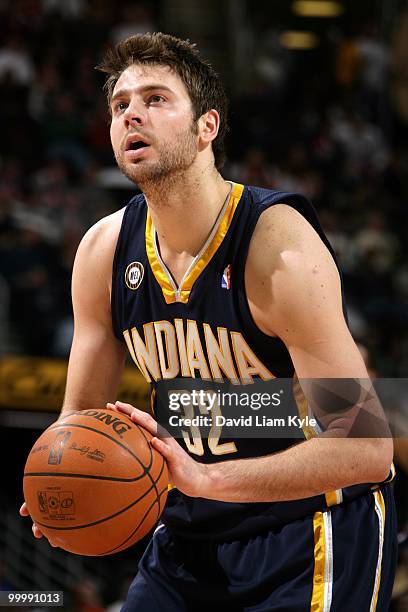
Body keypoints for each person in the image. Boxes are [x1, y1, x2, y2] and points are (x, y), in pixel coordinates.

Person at [21, 32, 397, 611]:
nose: (132, 115)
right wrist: (61, 481)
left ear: (207, 128)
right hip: (191, 530)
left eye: (155, 99)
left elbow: (368, 450)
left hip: (314, 527)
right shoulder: (102, 252)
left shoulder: (278, 249)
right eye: (120, 105)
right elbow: (80, 417)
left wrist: (208, 480)